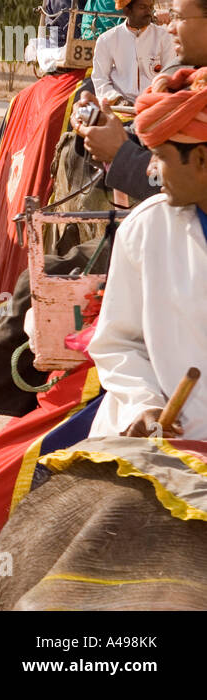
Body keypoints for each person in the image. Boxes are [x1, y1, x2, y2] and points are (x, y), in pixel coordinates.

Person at [0, 0, 207, 524]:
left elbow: (178, 173)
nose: (165, 22)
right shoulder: (173, 74)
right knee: (40, 283)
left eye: (178, 15)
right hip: (152, 239)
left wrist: (126, 157)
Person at [88, 64, 207, 438]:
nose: (152, 172)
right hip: (165, 443)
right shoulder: (144, 228)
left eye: (161, 157)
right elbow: (117, 342)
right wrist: (143, 403)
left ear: (202, 160)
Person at [90, 0, 177, 104]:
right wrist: (117, 99)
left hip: (155, 103)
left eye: (150, 7)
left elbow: (169, 76)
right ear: (127, 10)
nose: (149, 12)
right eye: (142, 7)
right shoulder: (107, 40)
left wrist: (155, 99)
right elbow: (100, 78)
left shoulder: (164, 37)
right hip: (120, 106)